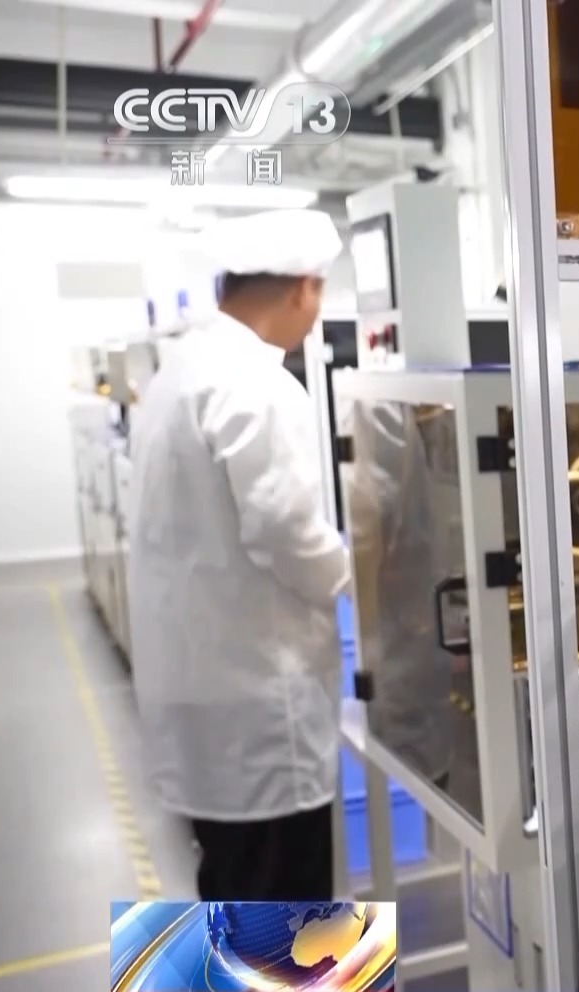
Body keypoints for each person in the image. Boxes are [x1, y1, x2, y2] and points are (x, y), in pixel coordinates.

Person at [127, 208, 351, 901]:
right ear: (303, 290)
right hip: (260, 710)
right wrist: (359, 577)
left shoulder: (179, 373)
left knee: (229, 891)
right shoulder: (259, 385)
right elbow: (286, 530)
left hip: (203, 694)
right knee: (287, 919)